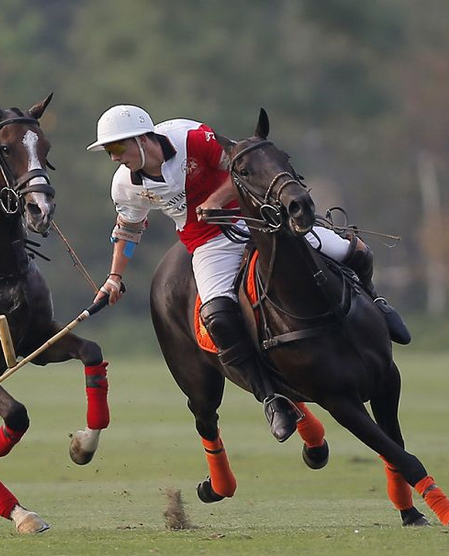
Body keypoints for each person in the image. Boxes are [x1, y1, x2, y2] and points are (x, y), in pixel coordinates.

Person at [87, 104, 410, 442]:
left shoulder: (192, 138)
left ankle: (378, 303)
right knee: (216, 315)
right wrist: (114, 277)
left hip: (256, 218)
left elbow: (245, 168)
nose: (113, 158)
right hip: (208, 243)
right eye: (109, 150)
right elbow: (128, 229)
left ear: (142, 138)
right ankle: (270, 397)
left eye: (117, 148)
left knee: (354, 251)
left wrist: (216, 199)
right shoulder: (125, 185)